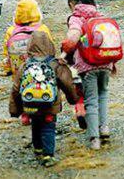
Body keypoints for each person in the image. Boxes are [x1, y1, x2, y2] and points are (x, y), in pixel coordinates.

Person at [60, 0, 117, 150]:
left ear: (73, 3)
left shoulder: (76, 17)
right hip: (105, 61)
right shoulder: (98, 14)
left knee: (91, 101)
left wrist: (64, 54)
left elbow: (73, 37)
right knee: (103, 95)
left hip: (88, 65)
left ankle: (94, 138)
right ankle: (104, 128)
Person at [9, 31, 78, 167]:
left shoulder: (25, 65)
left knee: (35, 124)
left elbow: (16, 89)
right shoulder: (56, 64)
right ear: (50, 45)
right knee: (48, 127)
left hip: (30, 104)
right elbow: (68, 83)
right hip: (50, 105)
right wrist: (73, 98)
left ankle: (38, 148)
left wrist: (15, 109)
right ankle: (48, 155)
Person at [1, 0, 53, 76]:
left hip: (18, 72)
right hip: (40, 71)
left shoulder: (11, 31)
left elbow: (6, 53)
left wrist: (7, 69)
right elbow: (51, 50)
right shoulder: (42, 29)